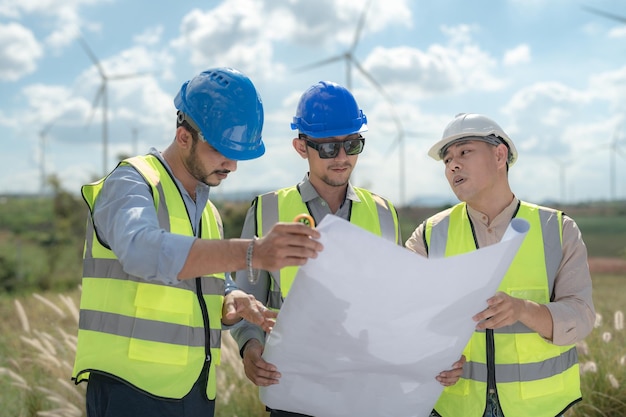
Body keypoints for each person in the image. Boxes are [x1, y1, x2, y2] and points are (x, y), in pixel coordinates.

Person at [71, 67, 323, 417]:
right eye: (222, 149)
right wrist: (253, 251)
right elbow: (141, 250)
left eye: (239, 154)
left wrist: (232, 298)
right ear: (184, 135)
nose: (232, 165)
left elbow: (200, 280)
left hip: (194, 392)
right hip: (131, 391)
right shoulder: (132, 182)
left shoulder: (209, 213)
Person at [231, 81, 465, 417]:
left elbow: (398, 307)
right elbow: (246, 297)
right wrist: (250, 348)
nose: (342, 158)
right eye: (328, 148)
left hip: (369, 393)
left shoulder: (384, 213)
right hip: (295, 394)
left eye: (353, 144)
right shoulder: (267, 210)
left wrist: (434, 350)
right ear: (301, 147)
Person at [405, 113, 596, 417]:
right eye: (447, 159)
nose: (453, 164)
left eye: (464, 152)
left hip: (541, 407)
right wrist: (427, 358)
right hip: (456, 406)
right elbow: (405, 317)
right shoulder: (429, 235)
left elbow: (582, 316)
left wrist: (524, 310)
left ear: (499, 154)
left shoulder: (557, 229)